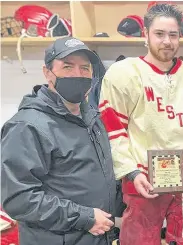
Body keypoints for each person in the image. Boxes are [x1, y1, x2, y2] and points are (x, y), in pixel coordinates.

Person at [98, 3, 183, 245]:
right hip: (143, 176)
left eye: (173, 35)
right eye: (160, 34)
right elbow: (112, 129)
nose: (167, 41)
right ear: (146, 34)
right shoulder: (124, 74)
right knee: (139, 240)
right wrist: (131, 171)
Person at [1, 37, 117, 245]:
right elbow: (19, 199)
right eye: (67, 67)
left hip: (96, 237)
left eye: (84, 68)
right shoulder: (27, 126)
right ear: (48, 73)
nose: (78, 75)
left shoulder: (92, 118)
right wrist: (86, 218)